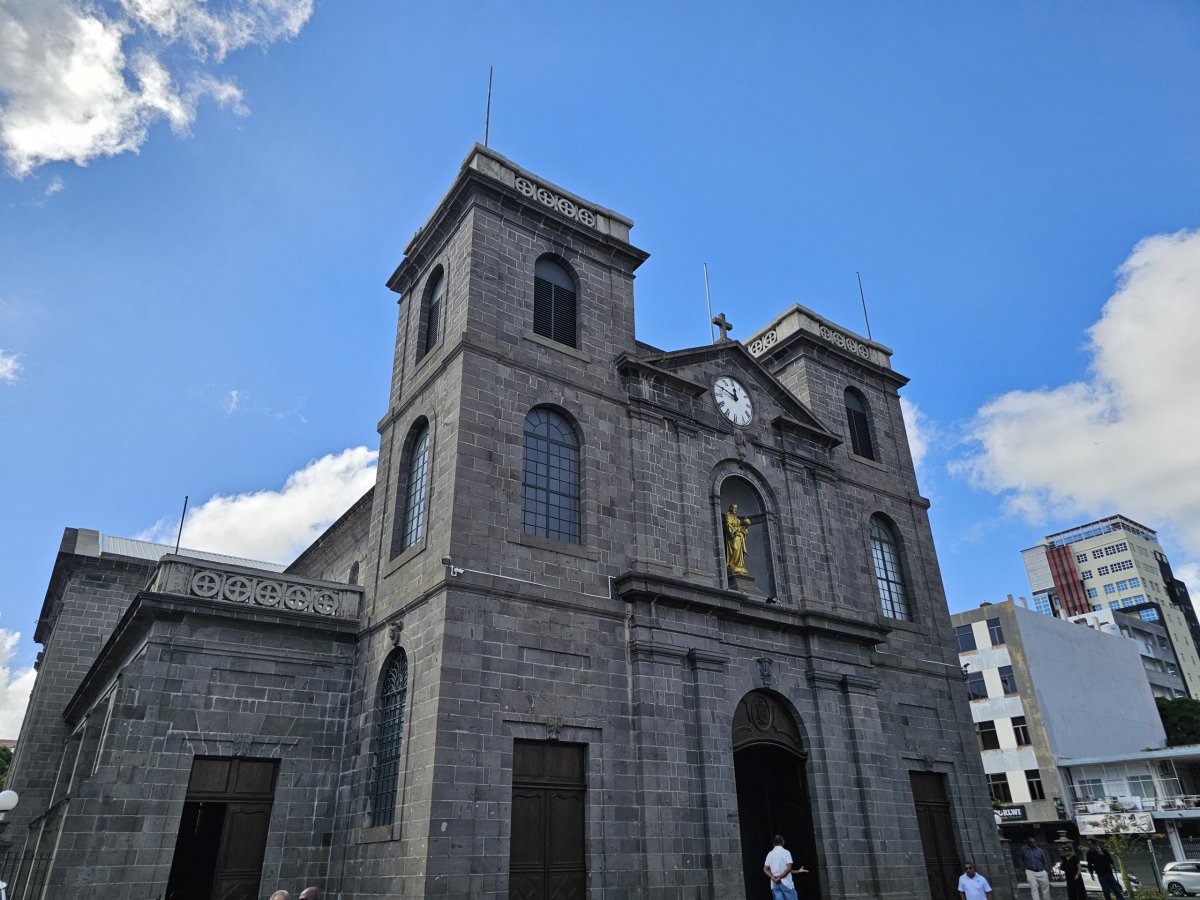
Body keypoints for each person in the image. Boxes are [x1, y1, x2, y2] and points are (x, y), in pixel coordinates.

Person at [763, 834, 809, 900]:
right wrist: (780, 877)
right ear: (783, 842)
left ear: (773, 844)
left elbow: (765, 869)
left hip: (775, 883)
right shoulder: (786, 852)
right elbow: (789, 868)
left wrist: (773, 877)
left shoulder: (770, 854)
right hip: (786, 883)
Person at [724, 504, 751, 575]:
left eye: (736, 508)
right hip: (733, 536)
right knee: (735, 548)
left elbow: (740, 525)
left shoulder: (736, 518)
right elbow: (728, 525)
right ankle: (732, 563)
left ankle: (739, 564)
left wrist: (744, 525)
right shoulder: (728, 516)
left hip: (739, 536)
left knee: (739, 550)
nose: (735, 510)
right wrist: (735, 531)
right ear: (731, 508)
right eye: (734, 508)